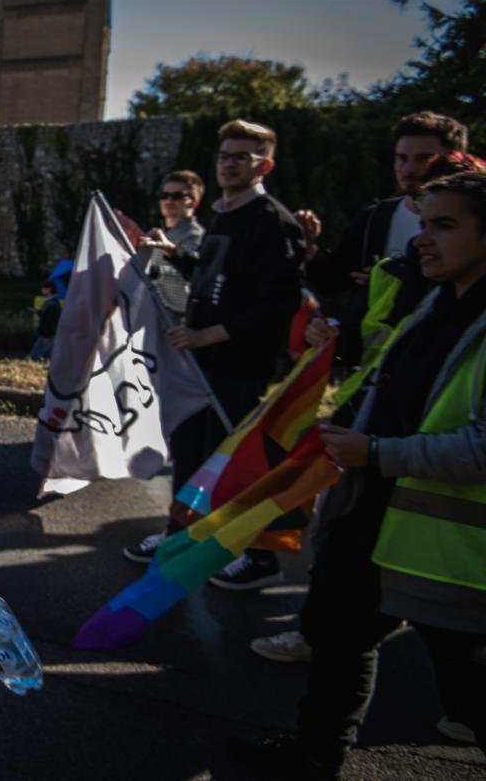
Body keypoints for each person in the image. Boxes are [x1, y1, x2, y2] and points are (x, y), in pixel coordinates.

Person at [231, 171, 486, 779]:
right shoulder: (435, 303)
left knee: (466, 681)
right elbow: (391, 383)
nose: (422, 239)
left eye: (444, 225)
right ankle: (315, 755)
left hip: (444, 551)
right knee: (337, 635)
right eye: (423, 224)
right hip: (372, 515)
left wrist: (375, 451)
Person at [123, 120, 307, 593]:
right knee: (191, 453)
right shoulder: (225, 214)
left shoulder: (271, 220)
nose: (229, 164)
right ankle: (179, 536)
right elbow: (212, 276)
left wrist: (209, 335)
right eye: (224, 155)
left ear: (264, 165)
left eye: (241, 157)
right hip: (199, 362)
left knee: (237, 461)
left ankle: (260, 556)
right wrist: (174, 255)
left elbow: (280, 302)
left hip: (239, 365)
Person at [295, 111, 468, 367]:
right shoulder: (376, 218)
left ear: (454, 159)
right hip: (374, 366)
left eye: (424, 158)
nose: (409, 169)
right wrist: (308, 248)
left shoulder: (471, 223)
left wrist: (398, 284)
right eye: (402, 158)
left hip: (443, 358)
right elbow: (333, 280)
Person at [138, 170, 207, 325]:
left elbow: (188, 278)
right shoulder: (159, 233)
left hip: (179, 323)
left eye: (177, 196)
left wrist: (153, 271)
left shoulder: (196, 236)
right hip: (153, 317)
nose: (169, 201)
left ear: (193, 202)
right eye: (165, 195)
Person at [30, 279, 62, 362]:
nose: (42, 290)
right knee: (48, 357)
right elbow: (48, 316)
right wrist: (38, 311)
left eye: (44, 288)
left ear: (49, 289)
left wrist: (46, 336)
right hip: (50, 334)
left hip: (47, 335)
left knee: (35, 356)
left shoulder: (52, 304)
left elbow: (50, 321)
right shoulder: (52, 302)